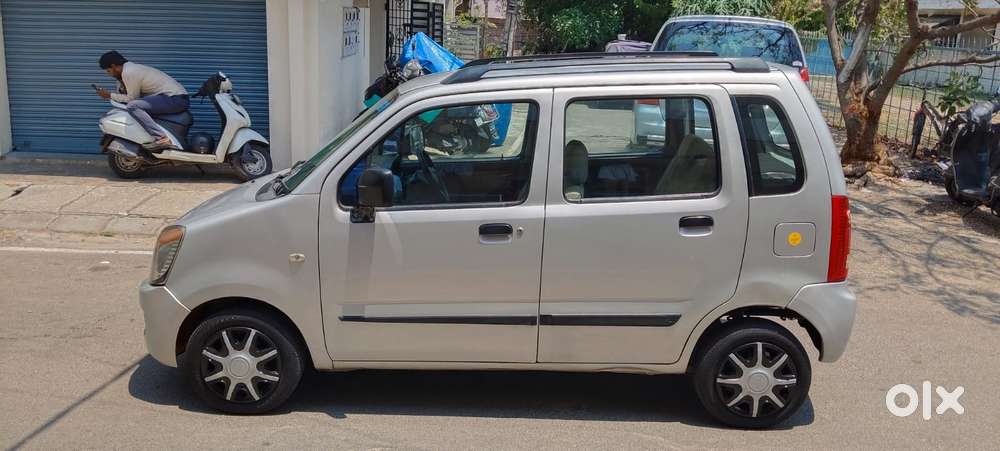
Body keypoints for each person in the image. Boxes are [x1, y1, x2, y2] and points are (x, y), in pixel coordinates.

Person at [96, 51, 189, 149]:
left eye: (108, 71)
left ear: (113, 66)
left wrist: (109, 95)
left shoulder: (129, 72)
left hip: (176, 99)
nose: (109, 74)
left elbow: (131, 99)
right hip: (171, 98)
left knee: (134, 106)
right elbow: (126, 96)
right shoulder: (127, 71)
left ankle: (162, 138)